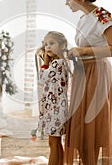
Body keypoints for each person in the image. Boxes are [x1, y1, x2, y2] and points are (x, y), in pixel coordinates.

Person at [64, 0, 112, 165]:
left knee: (92, 126)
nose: (66, 3)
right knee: (80, 127)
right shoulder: (83, 19)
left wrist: (83, 51)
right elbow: (90, 46)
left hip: (97, 74)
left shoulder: (103, 16)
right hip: (83, 73)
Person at [36, 31, 70, 165]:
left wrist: (45, 60)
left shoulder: (57, 63)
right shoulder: (61, 62)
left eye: (51, 43)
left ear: (62, 45)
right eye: (45, 45)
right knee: (56, 142)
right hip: (56, 108)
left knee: (53, 142)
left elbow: (42, 78)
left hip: (56, 110)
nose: (48, 47)